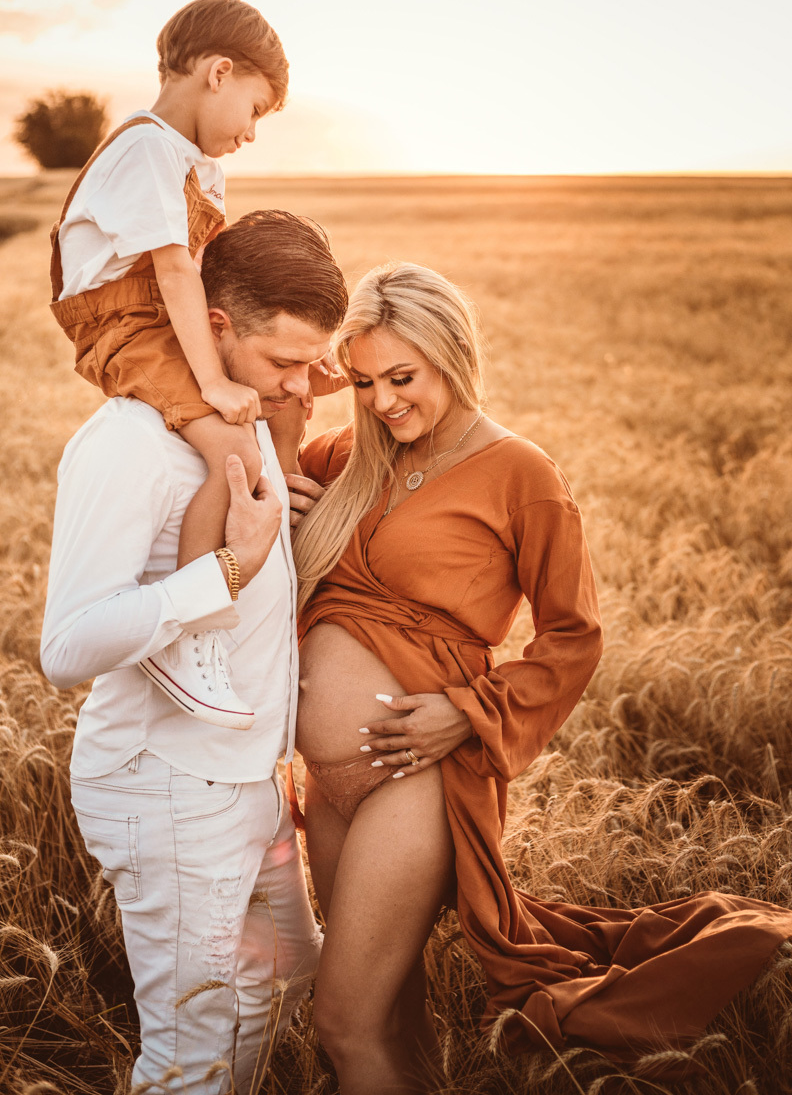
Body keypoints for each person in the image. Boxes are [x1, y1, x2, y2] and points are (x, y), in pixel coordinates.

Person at [276, 261, 792, 1094]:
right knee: (393, 1019)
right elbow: (263, 445)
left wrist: (467, 713)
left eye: (401, 377)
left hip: (415, 777)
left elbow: (573, 635)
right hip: (324, 786)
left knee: (344, 1022)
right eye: (363, 380)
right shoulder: (346, 458)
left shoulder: (521, 474)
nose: (382, 402)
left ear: (452, 353)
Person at [41, 210, 348, 1095]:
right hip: (168, 786)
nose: (301, 384)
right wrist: (226, 571)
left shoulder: (243, 415)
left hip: (248, 780)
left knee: (284, 981)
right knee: (193, 1050)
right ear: (215, 326)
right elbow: (66, 647)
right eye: (284, 362)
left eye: (312, 362)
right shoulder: (127, 444)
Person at [50, 0, 291, 730]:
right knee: (228, 446)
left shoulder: (191, 161)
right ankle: (190, 634)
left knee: (257, 429)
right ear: (219, 73)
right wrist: (214, 382)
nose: (252, 133)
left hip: (155, 316)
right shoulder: (148, 147)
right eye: (255, 109)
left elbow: (205, 274)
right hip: (123, 322)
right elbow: (176, 273)